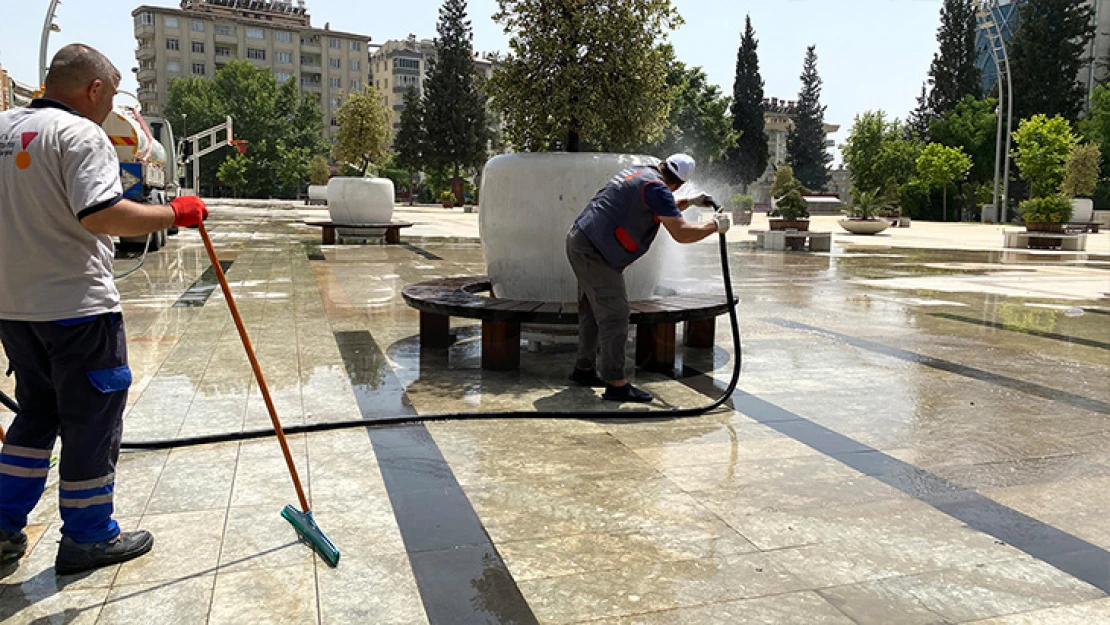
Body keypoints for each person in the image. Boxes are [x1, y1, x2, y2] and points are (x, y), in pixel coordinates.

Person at [0, 44, 208, 574]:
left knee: (35, 414)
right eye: (110, 95)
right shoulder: (79, 134)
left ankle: (1, 526)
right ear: (94, 89)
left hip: (15, 309)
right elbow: (101, 214)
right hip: (77, 308)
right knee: (92, 421)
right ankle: (89, 536)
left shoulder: (3, 130)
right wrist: (173, 214)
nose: (109, 108)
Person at [566, 154, 729, 402]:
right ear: (678, 183)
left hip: (581, 238)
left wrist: (690, 202)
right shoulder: (658, 189)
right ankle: (616, 384)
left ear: (663, 165)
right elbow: (682, 233)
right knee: (615, 314)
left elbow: (660, 205)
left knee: (591, 310)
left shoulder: (642, 173)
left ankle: (584, 370)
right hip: (596, 251)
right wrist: (714, 226)